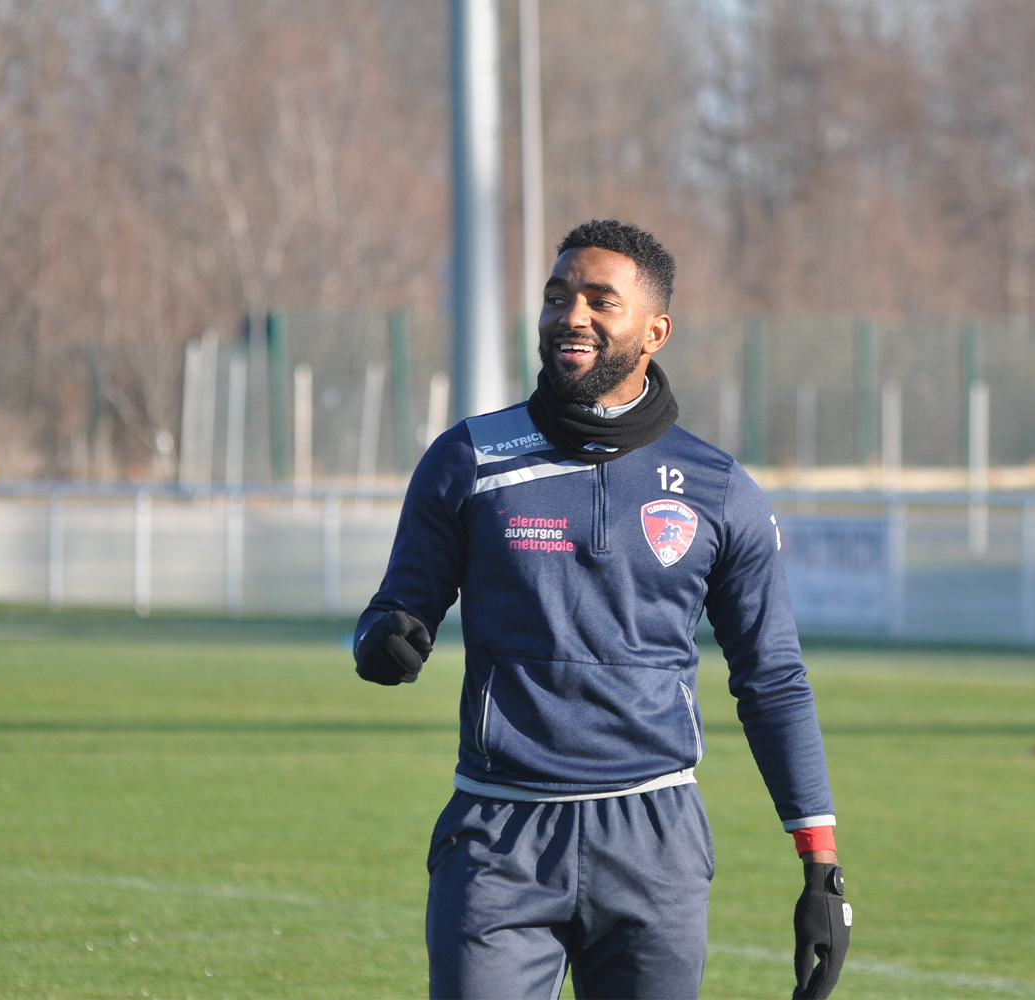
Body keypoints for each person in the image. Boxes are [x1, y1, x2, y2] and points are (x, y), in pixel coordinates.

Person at [354, 219, 850, 1000]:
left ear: (654, 331)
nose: (569, 315)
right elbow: (393, 610)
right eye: (557, 296)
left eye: (598, 300)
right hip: (498, 835)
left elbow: (772, 677)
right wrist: (382, 641)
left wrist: (819, 859)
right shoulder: (469, 459)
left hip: (654, 840)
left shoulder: (719, 489)